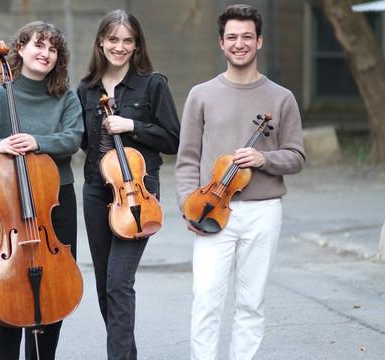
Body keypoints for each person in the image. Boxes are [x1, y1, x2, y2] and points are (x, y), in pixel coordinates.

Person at [175, 4, 306, 360]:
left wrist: (264, 158)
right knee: (206, 300)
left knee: (251, 303)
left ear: (259, 41)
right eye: (232, 37)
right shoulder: (201, 95)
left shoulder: (282, 98)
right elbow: (186, 158)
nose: (239, 43)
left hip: (263, 212)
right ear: (221, 43)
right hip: (213, 210)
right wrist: (190, 206)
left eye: (247, 36)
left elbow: (296, 156)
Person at [0, 21, 83, 360]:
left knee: (54, 291)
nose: (45, 53)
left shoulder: (65, 97)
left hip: (55, 203)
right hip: (8, 207)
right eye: (38, 45)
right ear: (19, 49)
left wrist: (38, 141)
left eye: (52, 49)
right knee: (7, 291)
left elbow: (73, 138)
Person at [77, 9, 180, 360]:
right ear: (100, 43)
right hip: (96, 191)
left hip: (139, 192)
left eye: (127, 41)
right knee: (106, 288)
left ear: (137, 46)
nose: (119, 47)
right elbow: (79, 141)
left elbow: (173, 139)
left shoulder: (153, 85)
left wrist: (131, 126)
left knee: (119, 283)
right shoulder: (86, 89)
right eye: (113, 40)